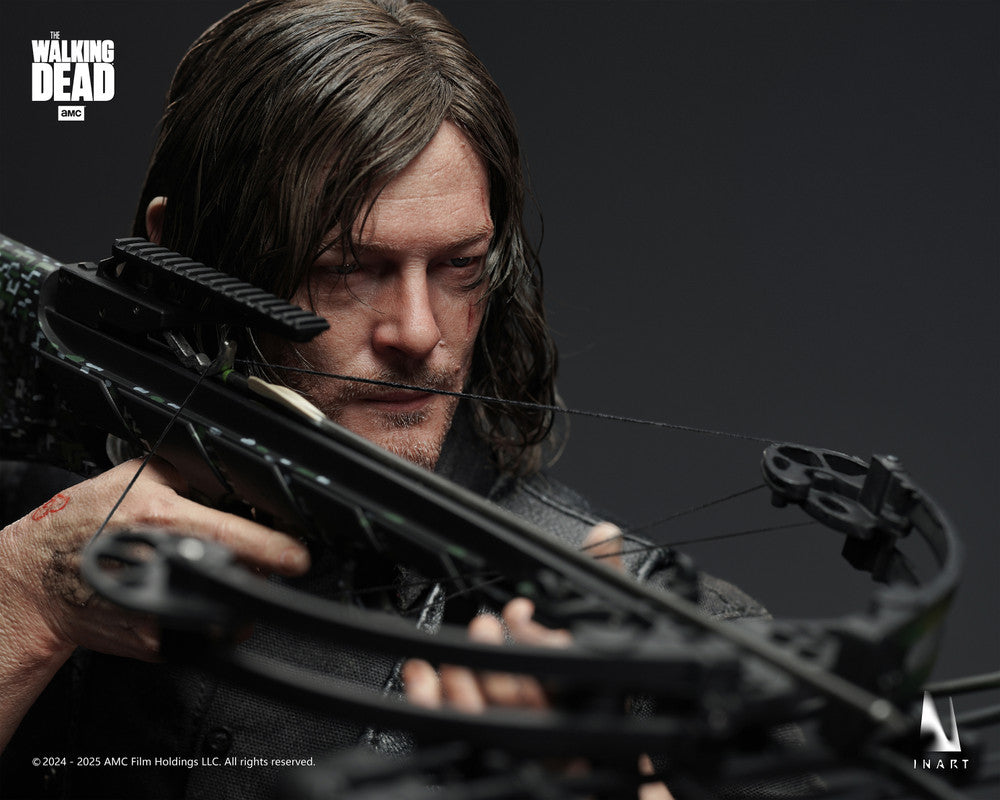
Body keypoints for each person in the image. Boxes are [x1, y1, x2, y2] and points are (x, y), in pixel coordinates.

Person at [0, 2, 764, 798]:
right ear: (180, 255)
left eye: (459, 265)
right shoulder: (34, 521)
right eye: (346, 268)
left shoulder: (664, 648)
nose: (419, 332)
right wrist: (23, 600)